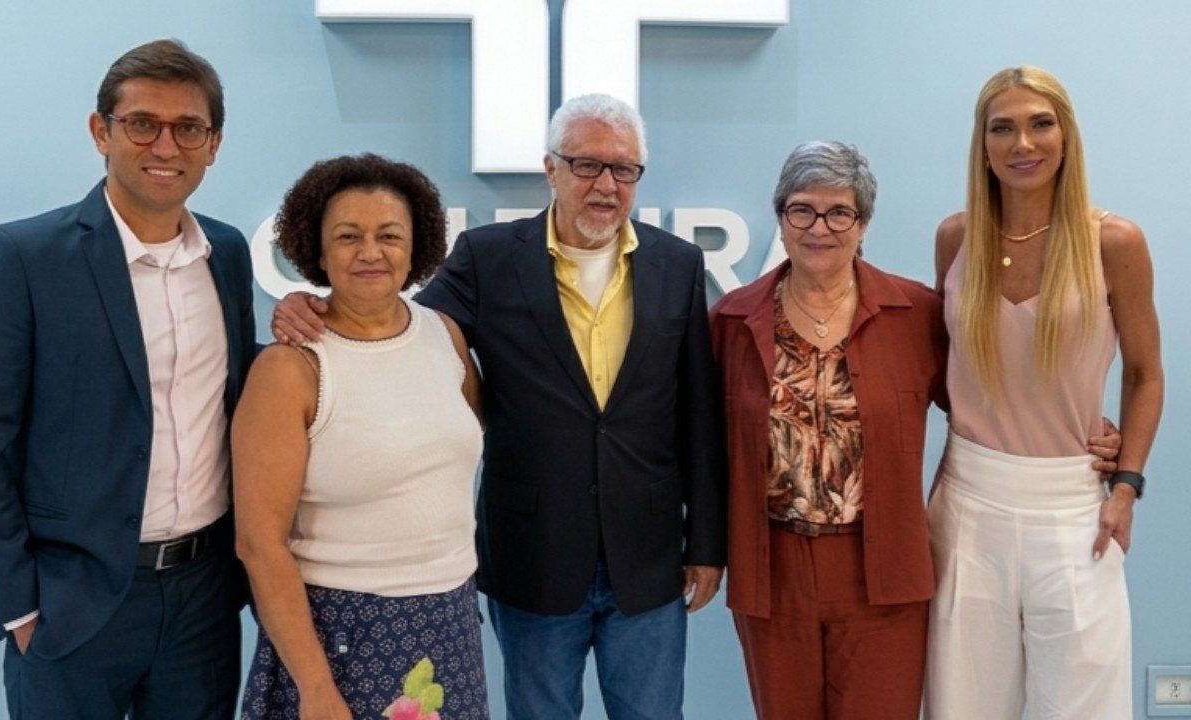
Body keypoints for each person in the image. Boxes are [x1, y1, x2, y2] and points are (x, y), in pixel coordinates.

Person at [272, 94, 726, 720]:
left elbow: (698, 414)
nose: (606, 184)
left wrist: (706, 542)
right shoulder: (488, 257)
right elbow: (397, 323)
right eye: (587, 165)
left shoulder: (678, 263)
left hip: (648, 557)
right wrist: (311, 303)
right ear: (551, 169)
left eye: (624, 169)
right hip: (532, 553)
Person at [0, 39, 254, 719]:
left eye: (187, 128)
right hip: (69, 605)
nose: (165, 145)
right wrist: (17, 605)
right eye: (142, 123)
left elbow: (229, 391)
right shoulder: (22, 256)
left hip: (203, 600)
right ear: (100, 132)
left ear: (213, 144)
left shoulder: (226, 253)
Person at [926, 66, 1163, 720]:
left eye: (1040, 124)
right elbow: (947, 370)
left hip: (1074, 510)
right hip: (967, 505)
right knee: (960, 707)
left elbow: (1145, 373)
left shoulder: (1114, 241)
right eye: (1002, 128)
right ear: (982, 146)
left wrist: (1127, 484)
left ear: (1066, 136)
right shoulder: (956, 238)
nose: (1022, 143)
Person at [235, 154, 488, 720]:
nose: (370, 252)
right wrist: (315, 687)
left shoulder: (445, 334)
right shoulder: (290, 368)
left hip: (449, 625)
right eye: (348, 237)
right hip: (338, 638)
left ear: (415, 247)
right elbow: (258, 544)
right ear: (318, 251)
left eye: (389, 236)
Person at [709, 141, 946, 719]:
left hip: (884, 571)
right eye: (802, 210)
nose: (819, 228)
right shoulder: (731, 320)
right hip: (773, 571)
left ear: (863, 223)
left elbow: (982, 410)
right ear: (781, 217)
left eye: (839, 212)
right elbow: (698, 447)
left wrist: (1077, 434)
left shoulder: (917, 314)